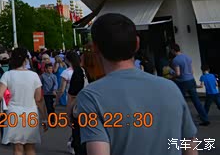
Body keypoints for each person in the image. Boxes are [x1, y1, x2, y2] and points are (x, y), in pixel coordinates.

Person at [75, 14, 200, 154]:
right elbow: (190, 145)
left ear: (95, 47)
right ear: (137, 43)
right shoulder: (171, 88)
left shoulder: (90, 96)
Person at [0, 47, 45, 155]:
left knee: (17, 148)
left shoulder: (7, 75)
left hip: (14, 113)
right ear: (25, 60)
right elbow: (38, 99)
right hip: (31, 113)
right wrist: (45, 118)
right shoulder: (34, 75)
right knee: (30, 148)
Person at [171, 43, 209, 126]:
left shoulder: (175, 60)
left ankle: (182, 120)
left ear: (173, 50)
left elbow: (178, 73)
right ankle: (205, 119)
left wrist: (172, 76)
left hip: (182, 82)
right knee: (196, 101)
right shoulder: (188, 57)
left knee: (180, 100)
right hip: (191, 80)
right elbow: (192, 71)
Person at [64, 51, 87, 154]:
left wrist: (68, 114)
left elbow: (72, 96)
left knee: (78, 137)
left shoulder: (78, 72)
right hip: (96, 110)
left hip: (80, 108)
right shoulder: (99, 72)